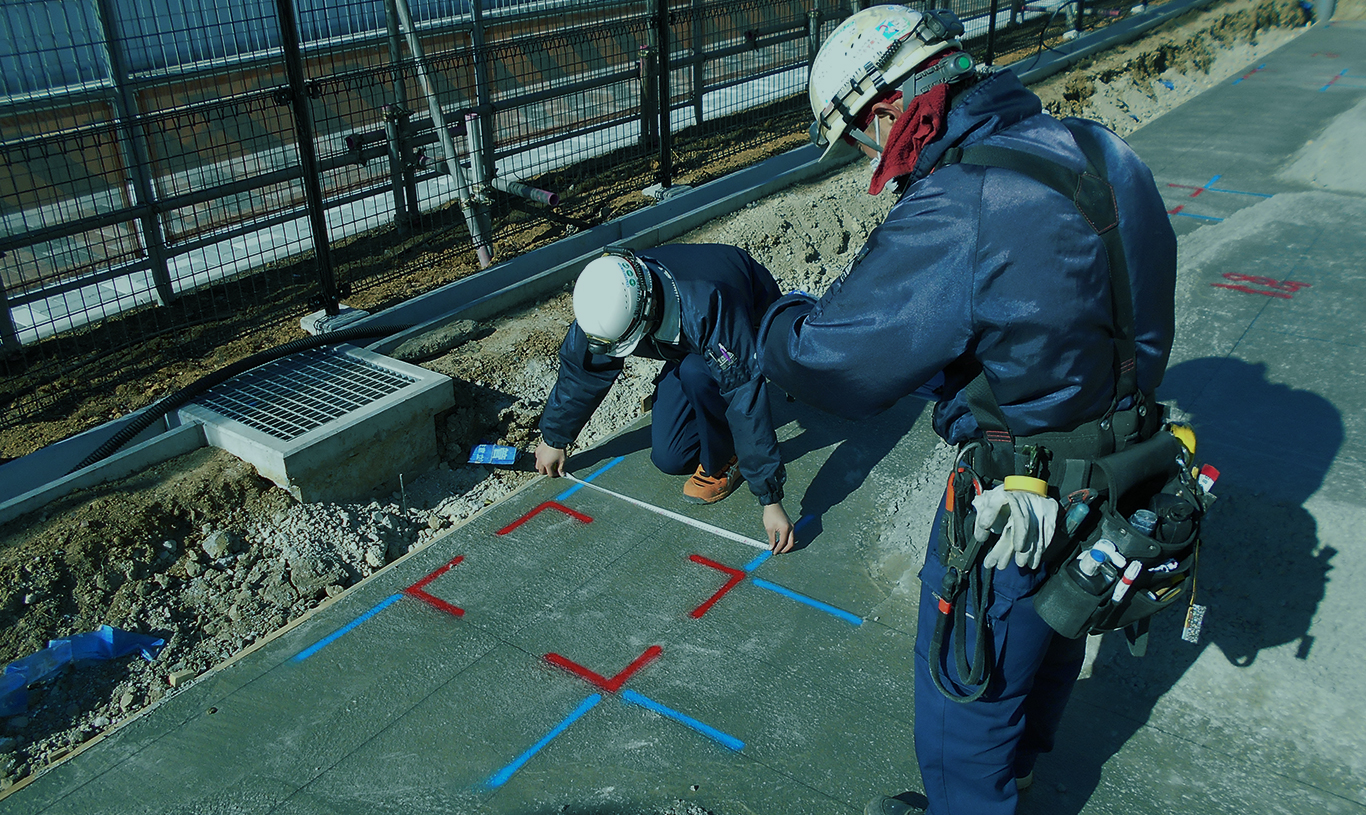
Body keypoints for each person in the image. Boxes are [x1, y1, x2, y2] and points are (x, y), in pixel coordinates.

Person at [757, 6, 1177, 815]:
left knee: (963, 707)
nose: (867, 158)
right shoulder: (1100, 148)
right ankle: (1018, 780)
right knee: (1055, 636)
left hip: (1018, 497)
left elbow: (832, 359)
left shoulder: (965, 197)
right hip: (1122, 473)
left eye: (858, 139)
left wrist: (765, 320)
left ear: (886, 111)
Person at [535, 243, 796, 554]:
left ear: (646, 313)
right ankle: (691, 376)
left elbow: (744, 397)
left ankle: (728, 456)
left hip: (744, 326)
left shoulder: (709, 304)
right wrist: (554, 437)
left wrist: (770, 499)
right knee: (671, 457)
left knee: (698, 372)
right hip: (688, 342)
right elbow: (583, 369)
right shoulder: (606, 298)